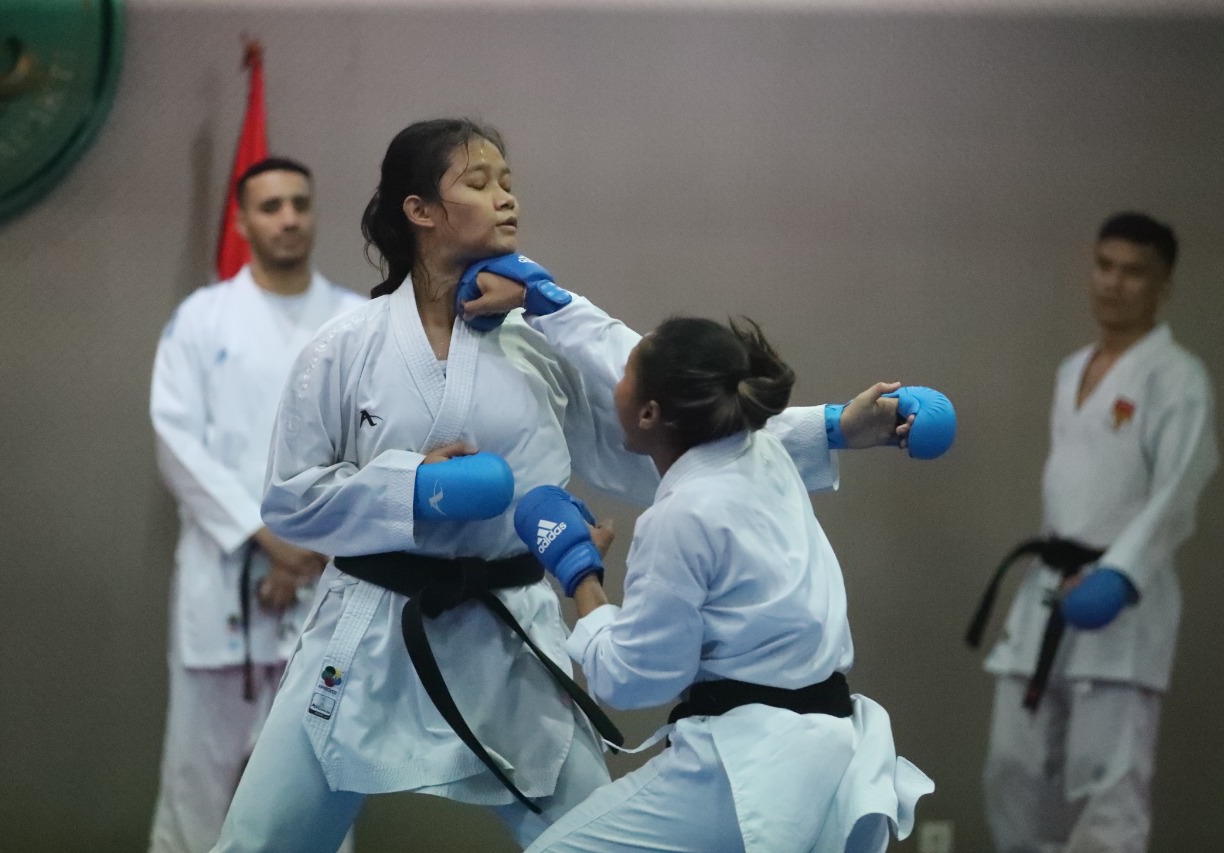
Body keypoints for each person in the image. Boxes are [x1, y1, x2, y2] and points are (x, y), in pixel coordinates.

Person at [212, 118, 923, 853]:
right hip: (369, 624)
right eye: (479, 183)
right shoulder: (344, 347)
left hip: (508, 627)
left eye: (509, 181)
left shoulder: (537, 346)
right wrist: (411, 487)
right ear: (419, 210)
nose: (507, 198)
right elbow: (291, 497)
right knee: (258, 841)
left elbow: (673, 440)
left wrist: (835, 427)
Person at [502, 316, 933, 853]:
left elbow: (634, 679)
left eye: (624, 377)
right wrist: (546, 298)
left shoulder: (681, 514)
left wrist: (579, 572)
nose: (612, 387)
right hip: (827, 745)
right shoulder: (762, 454)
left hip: (748, 763)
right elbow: (775, 430)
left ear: (650, 413)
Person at [976, 212, 1218, 853]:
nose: (1114, 283)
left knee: (1106, 786)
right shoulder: (1072, 368)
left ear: (1163, 284)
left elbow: (1179, 493)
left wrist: (1119, 574)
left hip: (1121, 605)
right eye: (1105, 266)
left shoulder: (1178, 379)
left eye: (1133, 271)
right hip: (1050, 590)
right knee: (1013, 768)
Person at [148, 156, 363, 853]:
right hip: (225, 584)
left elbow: (377, 452)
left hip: (330, 584)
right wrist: (267, 537)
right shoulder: (202, 320)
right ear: (241, 220)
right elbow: (176, 442)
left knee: (322, 781)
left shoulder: (357, 322)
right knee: (196, 783)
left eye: (300, 202)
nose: (289, 217)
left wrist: (310, 549)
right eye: (270, 206)